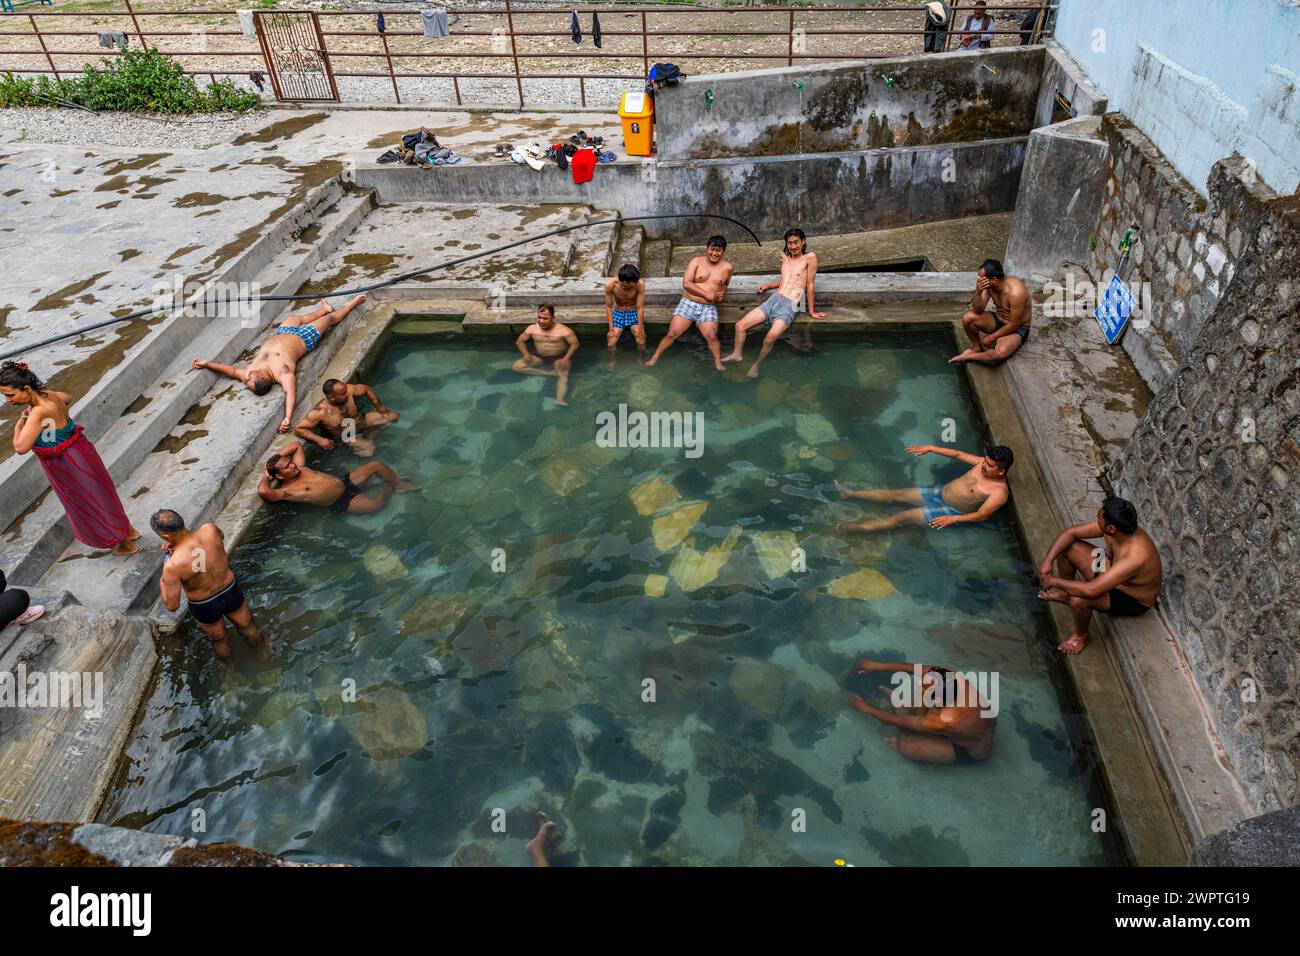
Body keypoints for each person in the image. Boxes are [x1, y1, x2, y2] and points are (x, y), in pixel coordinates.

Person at [2, 361, 142, 556]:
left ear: (26, 389)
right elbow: (67, 398)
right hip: (81, 451)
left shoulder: (38, 412)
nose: (7, 400)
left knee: (88, 503)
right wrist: (50, 420)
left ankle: (125, 545)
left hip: (67, 463)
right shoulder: (49, 396)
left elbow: (21, 447)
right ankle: (129, 531)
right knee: (103, 494)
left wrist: (20, 424)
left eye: (10, 394)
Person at [192, 293, 367, 434]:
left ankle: (323, 309)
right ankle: (351, 305)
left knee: (294, 317)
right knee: (329, 320)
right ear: (261, 377)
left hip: (283, 332)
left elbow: (230, 371)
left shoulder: (249, 374)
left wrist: (208, 364)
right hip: (303, 338)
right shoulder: (282, 372)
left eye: (247, 381)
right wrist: (287, 418)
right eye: (249, 383)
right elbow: (290, 392)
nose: (245, 380)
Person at [1037, 496, 1163, 655]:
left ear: (1110, 528)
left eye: (1099, 518)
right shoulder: (1117, 529)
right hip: (1109, 571)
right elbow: (1071, 532)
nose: (1097, 520)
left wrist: (1053, 581)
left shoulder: (1134, 556)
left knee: (1079, 599)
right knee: (1067, 548)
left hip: (1129, 597)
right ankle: (1065, 594)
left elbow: (1091, 590)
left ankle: (1081, 635)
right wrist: (1048, 561)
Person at [151, 509, 266, 665]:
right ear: (181, 521)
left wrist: (166, 565)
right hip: (230, 589)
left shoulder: (173, 564)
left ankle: (228, 673)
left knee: (220, 640)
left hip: (205, 604)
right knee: (248, 627)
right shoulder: (210, 529)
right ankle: (264, 655)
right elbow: (220, 538)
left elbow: (172, 605)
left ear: (165, 536)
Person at [834, 444, 1012, 534]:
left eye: (989, 466)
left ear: (1001, 470)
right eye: (985, 461)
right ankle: (847, 494)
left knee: (901, 517)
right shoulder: (983, 463)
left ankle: (853, 529)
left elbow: (981, 515)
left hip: (948, 509)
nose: (983, 465)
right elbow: (958, 454)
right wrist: (931, 448)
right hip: (940, 491)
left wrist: (954, 518)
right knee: (897, 494)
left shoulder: (998, 493)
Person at [849, 658, 995, 764]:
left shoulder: (943, 720)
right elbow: (914, 668)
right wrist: (877, 665)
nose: (920, 683)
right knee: (918, 703)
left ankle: (904, 734)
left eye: (925, 687)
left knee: (907, 745)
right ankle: (904, 709)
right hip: (976, 724)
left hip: (969, 749)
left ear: (938, 702)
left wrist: (865, 708)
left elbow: (897, 721)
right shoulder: (948, 676)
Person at [723, 227, 824, 379]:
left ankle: (757, 364)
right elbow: (786, 280)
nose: (793, 246)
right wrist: (768, 285)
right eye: (790, 243)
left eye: (796, 242)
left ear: (803, 242)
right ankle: (737, 354)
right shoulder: (785, 258)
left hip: (790, 303)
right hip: (774, 299)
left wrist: (811, 311)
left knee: (770, 337)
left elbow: (809, 285)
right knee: (740, 326)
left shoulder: (810, 257)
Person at [646, 235, 733, 372]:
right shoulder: (696, 261)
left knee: (711, 336)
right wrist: (706, 294)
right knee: (672, 333)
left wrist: (722, 293)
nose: (714, 253)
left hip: (708, 307)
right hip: (688, 302)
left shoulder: (728, 267)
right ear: (707, 248)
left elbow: (725, 284)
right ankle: (655, 357)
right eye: (712, 249)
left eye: (718, 250)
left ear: (723, 251)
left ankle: (717, 362)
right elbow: (686, 284)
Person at [258, 440, 418, 514]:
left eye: (289, 462)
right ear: (279, 476)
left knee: (375, 465)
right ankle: (388, 486)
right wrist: (266, 476)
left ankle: (398, 485)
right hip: (340, 501)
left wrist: (272, 462)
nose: (292, 465)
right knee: (376, 505)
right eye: (286, 467)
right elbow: (264, 493)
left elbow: (296, 445)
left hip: (345, 482)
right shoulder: (287, 491)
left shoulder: (300, 467)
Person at [949, 259, 1032, 364]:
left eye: (981, 279)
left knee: (999, 354)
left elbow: (1014, 324)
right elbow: (978, 310)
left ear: (993, 279)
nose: (979, 281)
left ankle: (969, 357)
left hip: (1016, 328)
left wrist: (991, 337)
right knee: (968, 318)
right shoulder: (990, 286)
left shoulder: (1016, 293)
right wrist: (978, 292)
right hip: (998, 320)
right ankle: (976, 348)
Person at [294, 378, 399, 458]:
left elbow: (366, 389)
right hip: (347, 434)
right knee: (369, 450)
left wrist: (379, 406)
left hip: (361, 420)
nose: (348, 394)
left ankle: (370, 437)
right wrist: (319, 439)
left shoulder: (348, 390)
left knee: (393, 416)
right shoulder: (320, 412)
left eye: (346, 390)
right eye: (343, 394)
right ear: (331, 397)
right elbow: (299, 429)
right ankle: (365, 441)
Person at [512, 304, 579, 406]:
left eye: (545, 318)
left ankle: (559, 400)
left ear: (553, 318)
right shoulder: (532, 328)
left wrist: (566, 358)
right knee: (517, 366)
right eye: (539, 317)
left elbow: (575, 344)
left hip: (559, 357)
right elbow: (519, 342)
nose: (541, 321)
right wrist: (526, 354)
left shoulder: (564, 330)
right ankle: (549, 373)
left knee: (563, 375)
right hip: (541, 356)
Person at [604, 264, 647, 368]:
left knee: (641, 341)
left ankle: (640, 358)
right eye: (631, 283)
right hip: (618, 312)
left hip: (633, 312)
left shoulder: (639, 283)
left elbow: (640, 308)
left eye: (635, 281)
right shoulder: (610, 285)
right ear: (623, 282)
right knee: (611, 342)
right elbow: (608, 307)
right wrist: (610, 329)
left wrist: (641, 330)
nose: (634, 284)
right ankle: (612, 359)